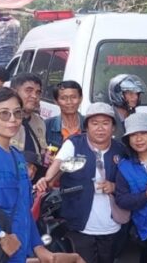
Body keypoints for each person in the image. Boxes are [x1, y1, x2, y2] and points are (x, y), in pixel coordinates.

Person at [0, 87, 81, 263]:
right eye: (4, 114)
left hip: (14, 254)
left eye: (17, 113)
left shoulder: (17, 156)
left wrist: (38, 247)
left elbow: (23, 210)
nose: (12, 120)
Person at [35, 102, 127, 263]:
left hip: (111, 225)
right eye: (94, 123)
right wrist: (47, 180)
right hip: (78, 224)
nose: (100, 128)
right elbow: (57, 166)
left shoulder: (120, 149)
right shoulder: (74, 144)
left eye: (105, 123)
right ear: (86, 126)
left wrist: (114, 186)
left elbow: (130, 183)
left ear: (113, 127)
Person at [115, 113, 147, 263]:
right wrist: (145, 196)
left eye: (143, 133)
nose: (139, 139)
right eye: (133, 135)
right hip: (145, 229)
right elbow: (121, 199)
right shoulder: (124, 167)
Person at [45, 80, 85, 147]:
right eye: (63, 98)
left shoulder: (89, 124)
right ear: (56, 101)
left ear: (80, 99)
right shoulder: (47, 126)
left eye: (73, 97)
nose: (69, 102)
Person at [108, 73, 147, 139]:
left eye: (137, 94)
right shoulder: (109, 117)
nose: (135, 97)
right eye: (130, 93)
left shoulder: (134, 116)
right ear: (118, 94)